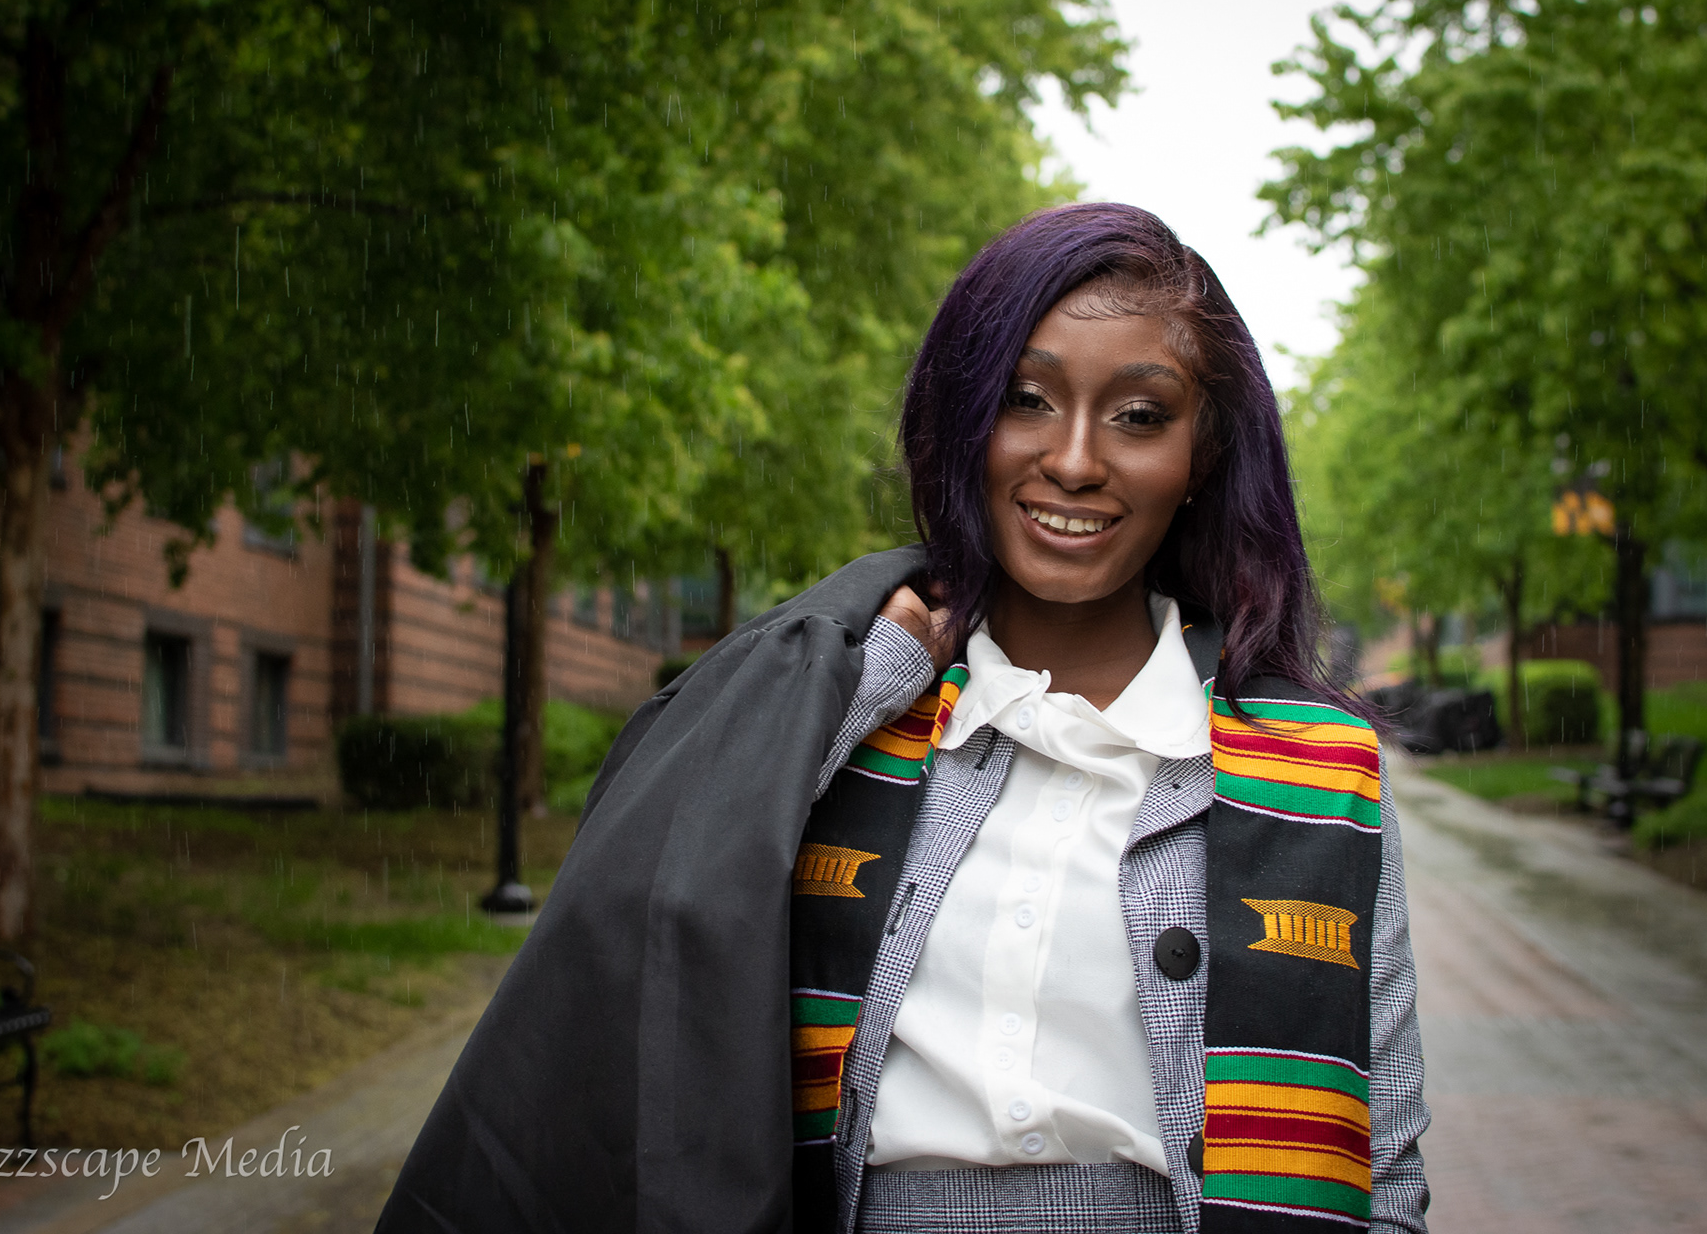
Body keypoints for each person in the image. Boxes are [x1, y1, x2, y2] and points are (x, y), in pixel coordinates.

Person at [377, 203, 1428, 1234]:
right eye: (1025, 398)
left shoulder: (1318, 774)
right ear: (963, 423)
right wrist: (864, 683)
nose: (1074, 459)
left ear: (1203, 456)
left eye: (1140, 415)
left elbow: (1385, 1175)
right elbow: (648, 917)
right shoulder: (852, 724)